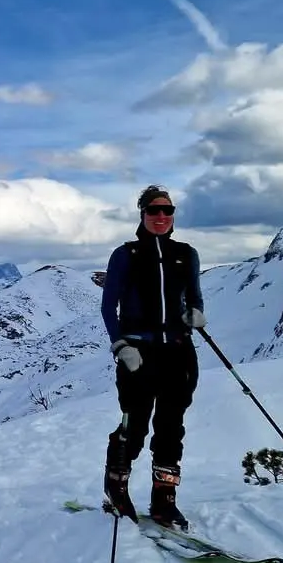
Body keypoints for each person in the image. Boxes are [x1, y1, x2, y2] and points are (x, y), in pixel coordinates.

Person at [100, 185, 205, 530]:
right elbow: (108, 306)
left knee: (171, 427)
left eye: (167, 210)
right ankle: (116, 487)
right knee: (135, 425)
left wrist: (195, 314)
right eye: (154, 211)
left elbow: (194, 296)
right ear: (142, 215)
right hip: (138, 351)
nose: (161, 217)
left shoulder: (186, 254)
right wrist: (121, 346)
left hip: (178, 350)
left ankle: (164, 501)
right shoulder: (126, 254)